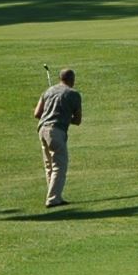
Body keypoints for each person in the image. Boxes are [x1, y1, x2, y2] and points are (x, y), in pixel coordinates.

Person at [33, 68, 83, 208]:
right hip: (56, 131)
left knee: (49, 165)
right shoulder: (74, 94)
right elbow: (78, 120)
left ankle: (54, 196)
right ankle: (53, 199)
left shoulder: (48, 91)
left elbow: (37, 113)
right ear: (72, 80)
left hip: (42, 130)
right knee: (59, 166)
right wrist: (65, 117)